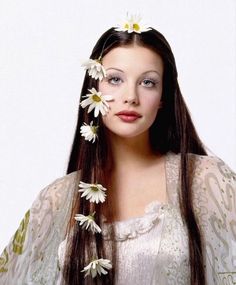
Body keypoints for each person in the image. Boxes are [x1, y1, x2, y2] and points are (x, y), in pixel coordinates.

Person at [0, 14, 235, 285]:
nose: (130, 97)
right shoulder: (58, 198)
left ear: (162, 98)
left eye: (148, 82)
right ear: (93, 90)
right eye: (115, 79)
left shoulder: (204, 180)